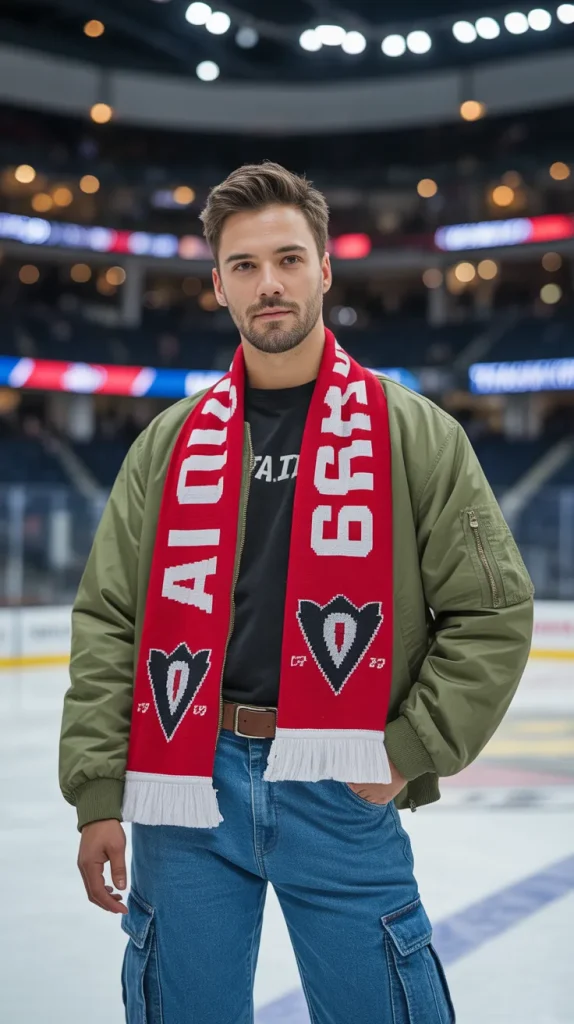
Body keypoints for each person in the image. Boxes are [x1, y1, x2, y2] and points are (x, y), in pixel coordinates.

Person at [59, 162, 534, 1024]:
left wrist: (407, 749)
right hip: (186, 779)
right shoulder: (167, 444)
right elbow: (109, 622)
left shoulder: (413, 432)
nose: (268, 284)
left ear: (324, 270)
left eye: (287, 259)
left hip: (340, 779)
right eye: (244, 266)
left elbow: (491, 611)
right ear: (218, 285)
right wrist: (97, 790)